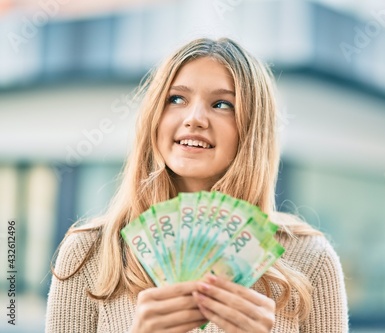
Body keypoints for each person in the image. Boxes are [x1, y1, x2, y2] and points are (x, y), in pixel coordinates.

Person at [45, 37, 349, 333]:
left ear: (252, 129)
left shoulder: (311, 259)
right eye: (176, 99)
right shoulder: (89, 253)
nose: (195, 118)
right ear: (155, 115)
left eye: (221, 104)